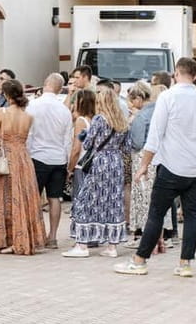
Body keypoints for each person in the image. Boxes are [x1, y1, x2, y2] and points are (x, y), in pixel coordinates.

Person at [115, 58, 196, 277]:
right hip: (195, 167)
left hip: (171, 165)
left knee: (156, 214)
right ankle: (185, 263)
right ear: (195, 75)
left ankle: (140, 260)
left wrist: (144, 164)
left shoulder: (167, 97)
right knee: (191, 215)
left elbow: (155, 134)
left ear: (175, 74)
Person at [63, 88, 132, 258]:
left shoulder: (99, 119)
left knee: (87, 200)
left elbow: (87, 144)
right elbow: (127, 147)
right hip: (116, 163)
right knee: (113, 202)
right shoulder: (122, 120)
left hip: (100, 162)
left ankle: (82, 244)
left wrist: (83, 137)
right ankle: (112, 247)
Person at [0, 79, 46, 255]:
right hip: (24, 158)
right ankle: (25, 236)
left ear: (6, 95)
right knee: (23, 197)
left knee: (6, 196)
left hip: (7, 158)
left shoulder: (2, 112)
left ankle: (9, 239)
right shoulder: (28, 116)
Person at [26, 73, 73, 249]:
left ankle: (35, 233)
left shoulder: (33, 105)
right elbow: (68, 139)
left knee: (34, 198)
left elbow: (28, 135)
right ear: (60, 89)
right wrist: (68, 163)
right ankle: (52, 236)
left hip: (37, 157)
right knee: (55, 198)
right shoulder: (64, 110)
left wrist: (27, 155)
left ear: (45, 84)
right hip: (58, 158)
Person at [127, 83, 171, 249]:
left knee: (143, 197)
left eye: (132, 100)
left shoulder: (141, 116)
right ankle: (162, 234)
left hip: (143, 157)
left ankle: (146, 234)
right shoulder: (160, 110)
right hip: (161, 157)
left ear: (138, 99)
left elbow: (138, 142)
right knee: (158, 198)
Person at [67, 89, 96, 210]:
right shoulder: (95, 120)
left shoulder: (81, 121)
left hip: (81, 165)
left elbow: (76, 149)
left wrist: (70, 169)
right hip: (92, 164)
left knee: (79, 202)